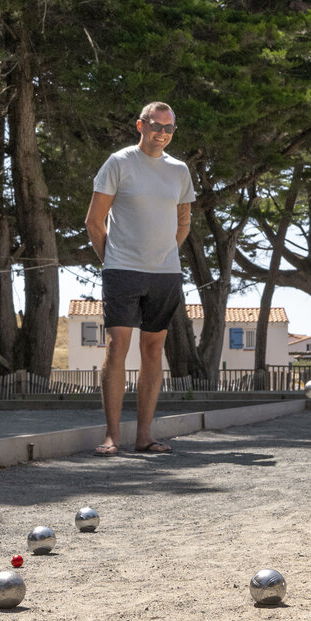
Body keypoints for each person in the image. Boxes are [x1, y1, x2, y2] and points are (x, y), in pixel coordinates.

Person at [84, 102, 195, 456]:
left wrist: (164, 254)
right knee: (117, 346)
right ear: (140, 125)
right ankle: (111, 436)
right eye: (156, 125)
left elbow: (183, 221)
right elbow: (94, 221)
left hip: (165, 274)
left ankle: (144, 436)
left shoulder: (179, 171)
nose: (162, 133)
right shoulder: (118, 163)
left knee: (153, 350)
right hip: (122, 270)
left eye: (169, 127)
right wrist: (112, 261)